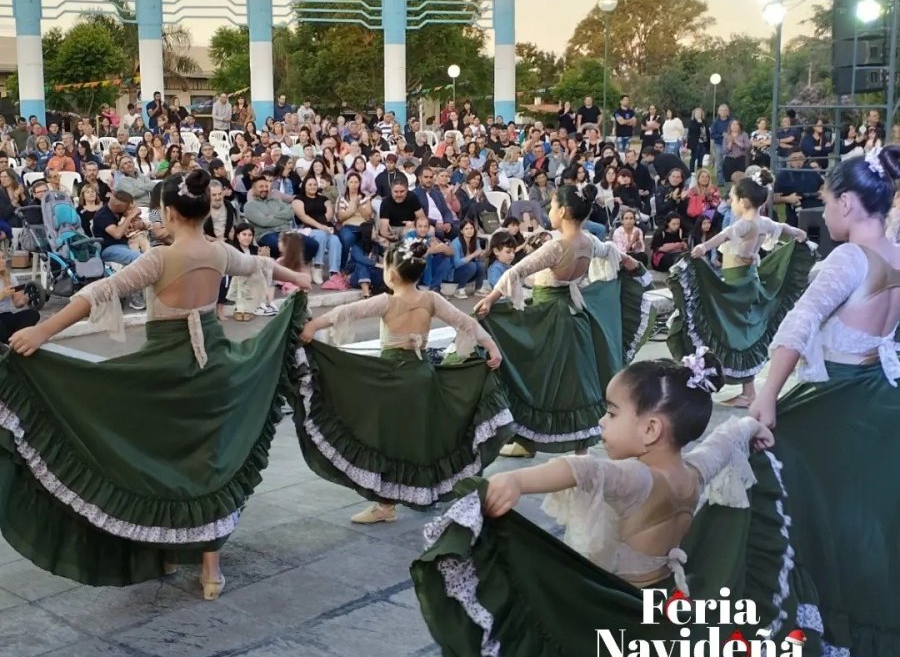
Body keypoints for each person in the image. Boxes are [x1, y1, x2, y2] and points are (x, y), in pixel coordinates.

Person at [411, 351, 796, 657]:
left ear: (651, 430)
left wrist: (517, 480)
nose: (601, 421)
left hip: (617, 606)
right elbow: (726, 440)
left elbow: (584, 470)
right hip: (665, 604)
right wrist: (751, 428)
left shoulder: (639, 478)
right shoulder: (694, 471)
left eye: (611, 413)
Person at [0, 170, 310, 600]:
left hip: (165, 372)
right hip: (214, 367)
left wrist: (41, 332)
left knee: (162, 460)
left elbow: (100, 292)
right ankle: (210, 569)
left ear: (167, 212)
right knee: (209, 459)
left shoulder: (160, 258)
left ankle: (167, 552)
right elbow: (259, 264)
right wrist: (298, 280)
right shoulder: (218, 252)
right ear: (204, 211)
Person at [749, 145, 900, 657]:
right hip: (881, 404)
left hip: (837, 403)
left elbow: (799, 323)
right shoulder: (898, 254)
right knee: (865, 533)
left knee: (781, 489)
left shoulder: (849, 259)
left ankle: (817, 641)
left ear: (850, 203)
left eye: (828, 202)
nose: (825, 212)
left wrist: (766, 397)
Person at [295, 237, 512, 525]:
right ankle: (422, 493)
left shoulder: (387, 301)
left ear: (391, 274)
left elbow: (345, 313)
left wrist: (312, 325)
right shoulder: (431, 299)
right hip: (422, 377)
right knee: (419, 439)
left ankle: (386, 505)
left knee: (388, 440)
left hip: (389, 378)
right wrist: (492, 347)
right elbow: (466, 323)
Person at [473, 187, 654, 458]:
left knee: (538, 380)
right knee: (576, 383)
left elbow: (516, 271)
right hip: (575, 316)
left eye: (552, 206)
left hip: (547, 319)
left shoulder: (556, 246)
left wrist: (490, 300)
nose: (548, 211)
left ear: (561, 211)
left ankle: (534, 443)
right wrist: (631, 264)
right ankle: (569, 448)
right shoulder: (589, 241)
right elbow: (614, 254)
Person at [667, 170, 813, 408]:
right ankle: (747, 391)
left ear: (743, 202)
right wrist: (798, 233)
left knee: (723, 326)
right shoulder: (763, 221)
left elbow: (723, 236)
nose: (730, 203)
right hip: (747, 281)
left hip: (736, 284)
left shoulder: (745, 224)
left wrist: (703, 247)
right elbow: (784, 227)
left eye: (732, 199)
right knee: (744, 332)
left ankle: (707, 379)